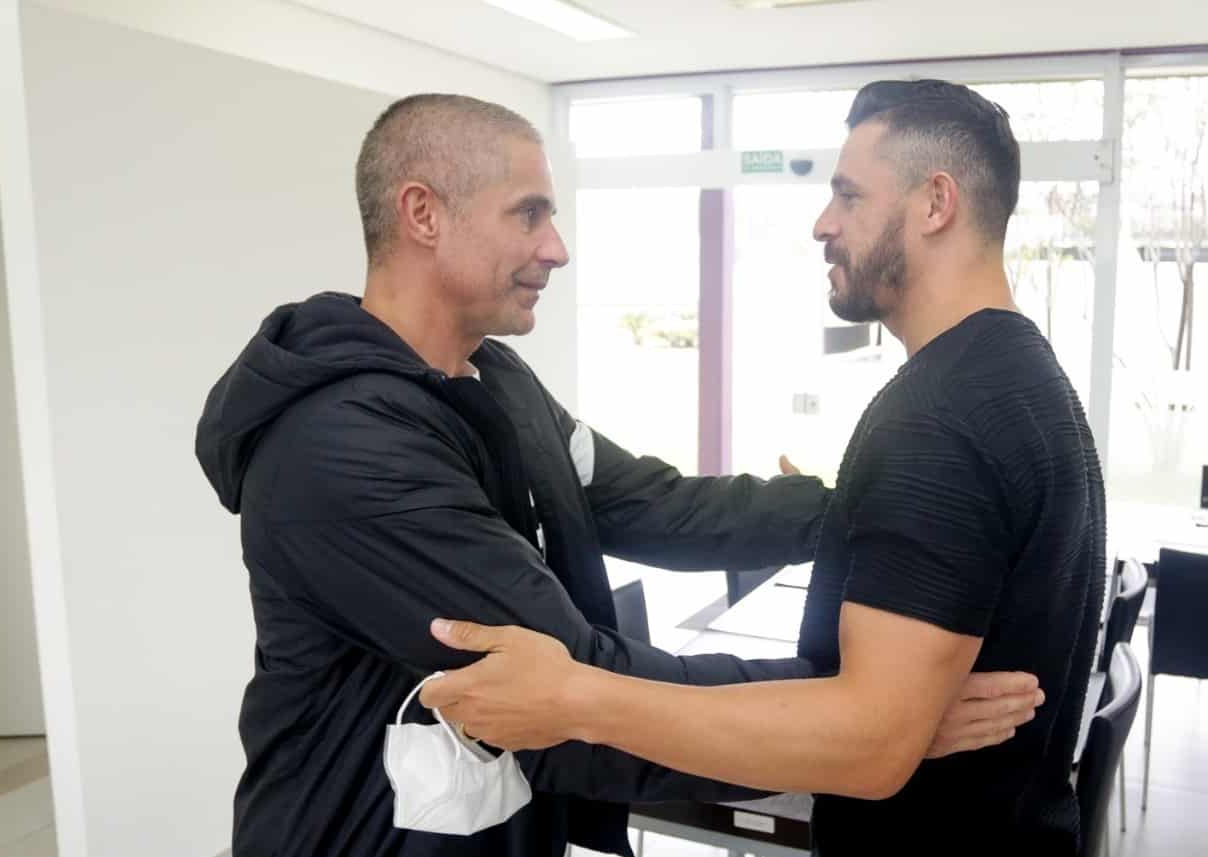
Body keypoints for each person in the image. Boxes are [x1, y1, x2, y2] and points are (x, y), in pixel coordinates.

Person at [196, 92, 1045, 857]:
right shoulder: (344, 449)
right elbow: (573, 685)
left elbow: (652, 502)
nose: (556, 249)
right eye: (529, 215)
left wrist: (866, 514)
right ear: (423, 213)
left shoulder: (498, 381)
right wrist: (857, 713)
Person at [421, 80, 1106, 856]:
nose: (823, 223)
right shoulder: (1022, 375)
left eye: (848, 195)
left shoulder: (938, 418)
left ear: (935, 204)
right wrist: (883, 713)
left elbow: (869, 746)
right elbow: (650, 501)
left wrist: (581, 697)